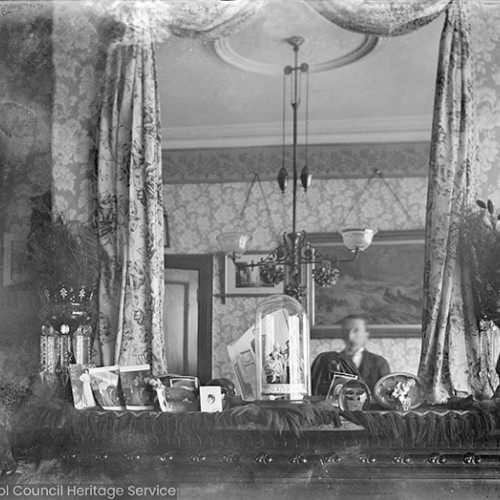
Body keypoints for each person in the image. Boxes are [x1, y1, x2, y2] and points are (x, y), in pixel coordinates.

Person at [340, 314, 390, 392]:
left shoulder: (379, 363)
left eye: (356, 330)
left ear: (366, 335)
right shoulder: (331, 362)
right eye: (346, 331)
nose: (350, 336)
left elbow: (386, 394)